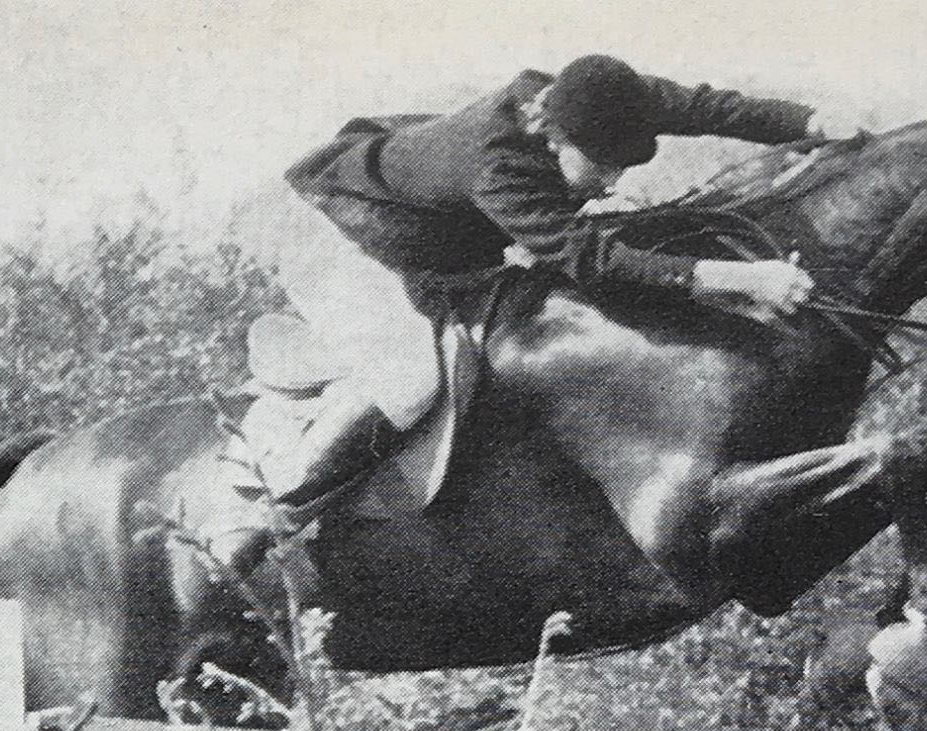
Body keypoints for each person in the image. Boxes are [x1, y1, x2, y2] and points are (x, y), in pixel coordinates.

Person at [267, 55, 840, 518]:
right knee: (415, 377)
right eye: (603, 165)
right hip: (341, 230)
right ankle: (285, 494)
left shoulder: (594, 96)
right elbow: (586, 259)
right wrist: (741, 278)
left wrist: (811, 123)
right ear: (557, 140)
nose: (613, 180)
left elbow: (704, 105)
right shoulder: (498, 163)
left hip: (422, 208)